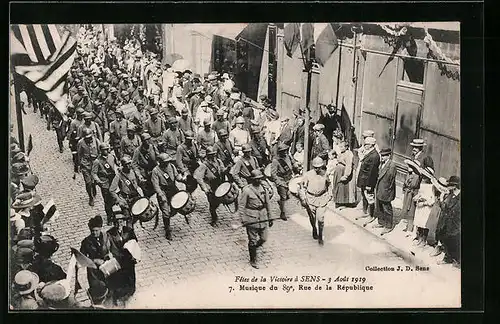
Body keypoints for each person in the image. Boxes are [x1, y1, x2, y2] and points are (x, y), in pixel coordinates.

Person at [239, 169, 272, 269]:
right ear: (252, 179)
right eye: (256, 179)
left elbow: (267, 203)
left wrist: (270, 216)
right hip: (251, 217)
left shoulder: (264, 188)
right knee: (252, 240)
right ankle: (253, 259)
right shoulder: (247, 190)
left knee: (264, 238)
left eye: (260, 179)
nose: (259, 181)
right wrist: (243, 219)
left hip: (263, 216)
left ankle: (254, 248)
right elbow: (241, 206)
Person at [105, 212, 138, 306]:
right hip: (118, 260)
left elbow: (134, 243)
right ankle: (118, 296)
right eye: (117, 222)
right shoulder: (110, 233)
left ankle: (129, 294)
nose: (119, 224)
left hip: (128, 259)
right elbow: (109, 247)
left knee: (130, 277)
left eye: (121, 221)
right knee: (118, 279)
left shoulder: (129, 230)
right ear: (114, 223)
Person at [194, 146, 231, 227]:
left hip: (219, 184)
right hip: (210, 186)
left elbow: (222, 170)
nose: (213, 156)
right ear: (207, 155)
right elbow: (198, 177)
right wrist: (205, 188)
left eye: (214, 154)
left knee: (219, 200)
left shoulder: (218, 161)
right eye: (211, 154)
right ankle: (214, 218)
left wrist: (227, 168)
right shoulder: (204, 165)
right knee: (212, 204)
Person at [298, 157, 332, 245]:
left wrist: (330, 195)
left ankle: (320, 236)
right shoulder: (308, 174)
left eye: (319, 167)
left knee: (320, 218)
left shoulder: (325, 174)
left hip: (322, 198)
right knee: (312, 217)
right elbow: (301, 186)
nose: (317, 169)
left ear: (322, 166)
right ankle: (314, 228)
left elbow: (329, 184)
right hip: (310, 198)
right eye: (315, 167)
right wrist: (303, 198)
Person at [151, 153, 183, 240]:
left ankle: (169, 216)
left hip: (173, 189)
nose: (167, 163)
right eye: (165, 162)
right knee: (165, 211)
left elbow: (176, 176)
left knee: (177, 207)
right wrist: (161, 195)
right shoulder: (155, 171)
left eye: (168, 161)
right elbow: (156, 185)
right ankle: (167, 230)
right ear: (160, 162)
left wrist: (182, 179)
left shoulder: (171, 166)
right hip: (163, 192)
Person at [80, 215, 110, 304]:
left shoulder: (106, 236)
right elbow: (82, 258)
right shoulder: (86, 242)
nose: (94, 233)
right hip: (94, 271)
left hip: (107, 267)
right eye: (92, 231)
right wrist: (94, 260)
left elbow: (112, 249)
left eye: (96, 230)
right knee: (97, 292)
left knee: (109, 287)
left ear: (101, 228)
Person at [110, 155, 144, 226]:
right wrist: (119, 200)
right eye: (127, 164)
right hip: (126, 199)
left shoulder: (133, 172)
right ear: (123, 166)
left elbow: (138, 183)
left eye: (129, 163)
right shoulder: (119, 176)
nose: (129, 166)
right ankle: (129, 232)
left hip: (135, 197)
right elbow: (112, 190)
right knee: (128, 218)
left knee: (136, 216)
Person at [270, 143, 300, 221]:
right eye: (283, 151)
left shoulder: (288, 156)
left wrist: (296, 167)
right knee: (283, 196)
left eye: (285, 150)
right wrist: (278, 182)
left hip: (289, 178)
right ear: (279, 152)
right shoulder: (276, 161)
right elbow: (273, 173)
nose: (285, 152)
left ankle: (280, 202)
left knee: (287, 196)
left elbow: (293, 163)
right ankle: (282, 213)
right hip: (281, 180)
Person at [92, 143, 119, 225]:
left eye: (107, 149)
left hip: (113, 181)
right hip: (105, 182)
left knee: (115, 197)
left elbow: (117, 165)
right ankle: (109, 217)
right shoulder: (97, 161)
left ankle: (116, 213)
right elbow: (94, 173)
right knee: (107, 201)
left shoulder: (111, 157)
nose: (106, 151)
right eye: (104, 150)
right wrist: (98, 180)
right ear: (101, 151)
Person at [435, 176, 460, 266]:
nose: (447, 187)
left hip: (456, 223)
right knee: (446, 239)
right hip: (447, 221)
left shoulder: (459, 197)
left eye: (449, 185)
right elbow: (444, 208)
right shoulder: (450, 195)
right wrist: (441, 200)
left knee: (455, 240)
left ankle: (457, 260)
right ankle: (448, 258)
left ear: (454, 186)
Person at [355, 136, 380, 225]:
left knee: (370, 198)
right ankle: (365, 211)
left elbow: (372, 172)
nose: (364, 145)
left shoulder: (374, 155)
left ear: (372, 145)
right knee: (364, 196)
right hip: (363, 180)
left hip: (368, 182)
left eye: (366, 144)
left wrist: (369, 185)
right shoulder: (369, 152)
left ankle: (371, 215)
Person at [373, 148, 397, 235]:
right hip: (380, 188)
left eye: (384, 156)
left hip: (386, 190)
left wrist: (387, 191)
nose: (382, 157)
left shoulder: (392, 166)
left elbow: (390, 180)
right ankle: (381, 222)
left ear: (389, 156)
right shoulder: (382, 164)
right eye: (382, 155)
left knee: (387, 208)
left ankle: (388, 226)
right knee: (379, 206)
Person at [411, 166, 436, 246]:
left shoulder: (432, 187)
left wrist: (425, 203)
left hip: (426, 207)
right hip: (420, 206)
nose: (423, 178)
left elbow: (432, 200)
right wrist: (417, 196)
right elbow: (421, 193)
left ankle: (424, 240)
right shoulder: (422, 184)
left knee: (425, 224)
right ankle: (420, 237)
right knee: (419, 222)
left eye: (425, 177)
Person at [77, 128, 101, 206]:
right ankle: (90, 197)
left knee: (93, 181)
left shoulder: (96, 141)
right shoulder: (81, 143)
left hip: (94, 164)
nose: (89, 139)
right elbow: (79, 154)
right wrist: (79, 165)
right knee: (88, 182)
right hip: (85, 164)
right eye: (87, 138)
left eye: (90, 137)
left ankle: (93, 188)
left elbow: (100, 151)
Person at [132, 133, 158, 198]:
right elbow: (134, 164)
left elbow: (158, 156)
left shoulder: (153, 147)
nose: (148, 141)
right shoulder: (138, 150)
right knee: (148, 192)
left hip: (154, 170)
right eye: (146, 140)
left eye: (149, 139)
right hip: (145, 173)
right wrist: (139, 174)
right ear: (143, 141)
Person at [427, 177, 450, 254]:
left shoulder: (445, 195)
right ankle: (435, 242)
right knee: (434, 227)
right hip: (436, 210)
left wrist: (441, 199)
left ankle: (439, 246)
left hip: (441, 213)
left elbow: (444, 206)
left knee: (439, 227)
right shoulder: (437, 192)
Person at [331, 141, 356, 209]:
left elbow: (348, 165)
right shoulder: (341, 153)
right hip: (339, 172)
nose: (340, 148)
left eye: (342, 147)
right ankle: (339, 200)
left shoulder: (349, 154)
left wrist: (346, 175)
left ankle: (345, 202)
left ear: (346, 147)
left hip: (344, 172)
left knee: (345, 188)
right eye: (340, 147)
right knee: (339, 187)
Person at [400, 159, 422, 234]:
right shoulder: (409, 173)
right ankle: (408, 227)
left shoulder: (416, 176)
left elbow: (413, 185)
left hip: (413, 194)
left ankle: (410, 229)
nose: (408, 167)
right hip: (408, 193)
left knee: (411, 211)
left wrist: (408, 186)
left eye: (410, 166)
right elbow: (405, 183)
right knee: (407, 208)